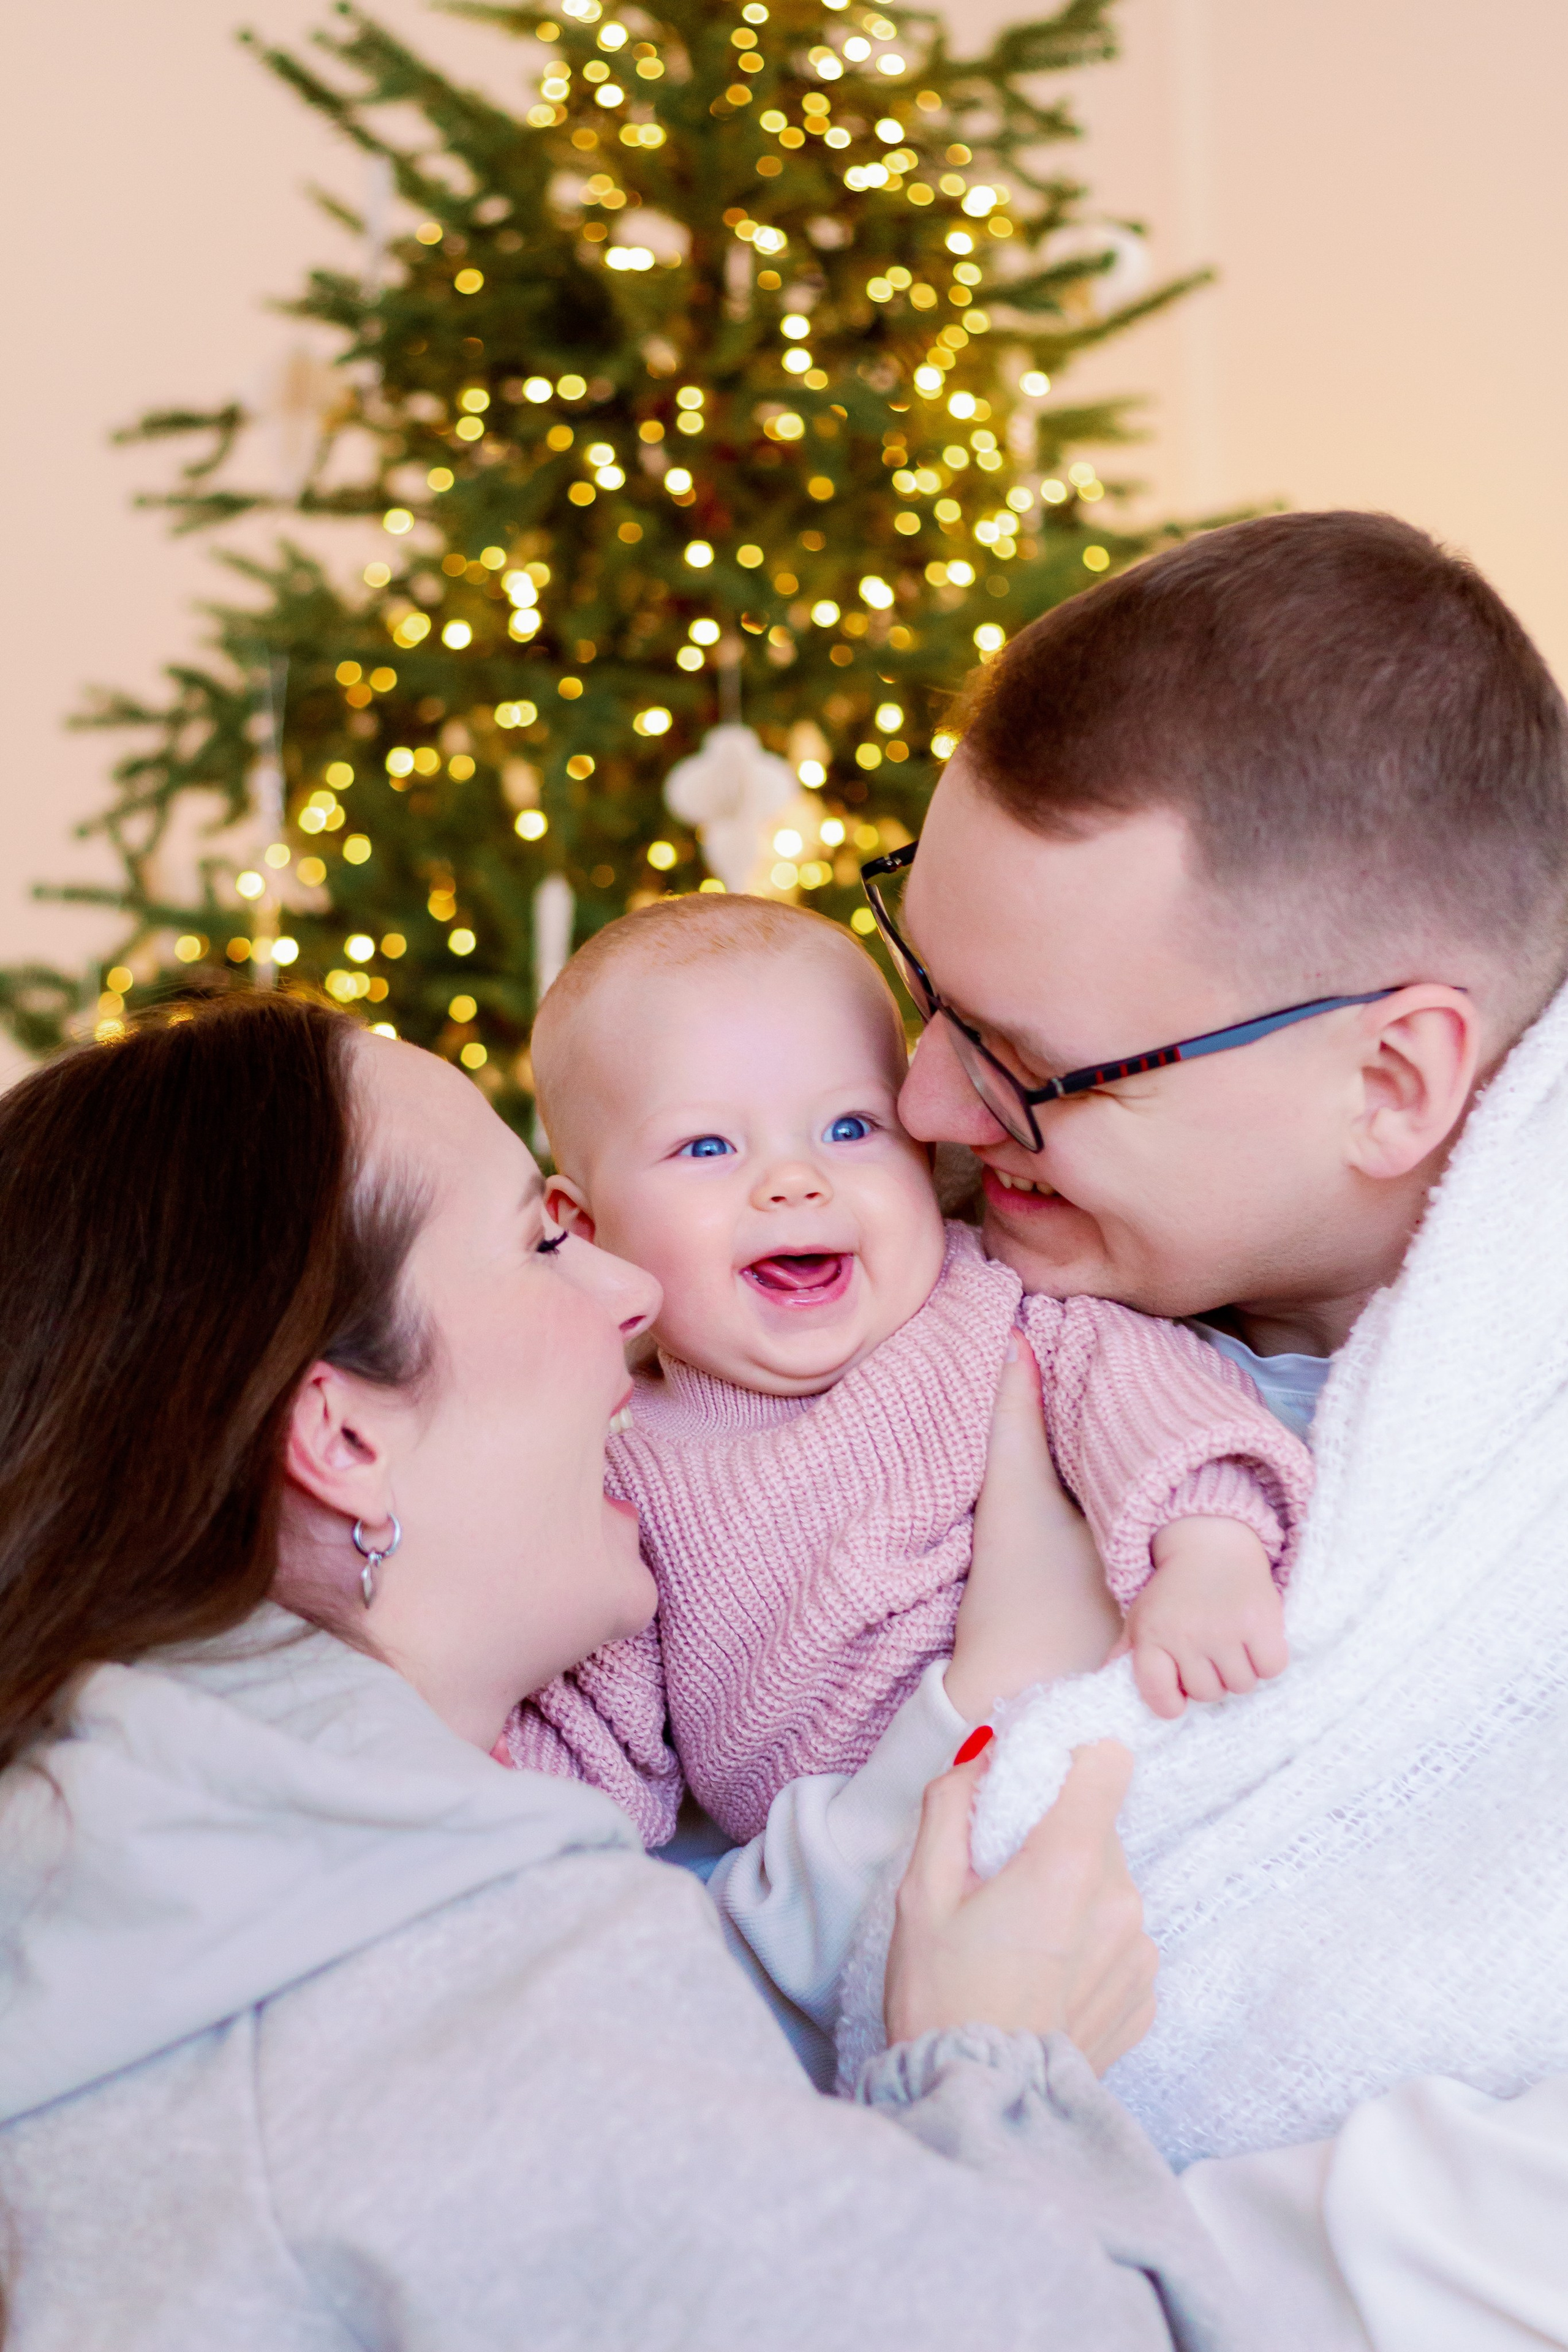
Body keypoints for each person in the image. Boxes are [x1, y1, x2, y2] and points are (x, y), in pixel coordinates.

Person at [0, 995, 1245, 2351]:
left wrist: (959, 1710)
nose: (633, 1289)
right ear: (343, 1439)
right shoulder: (463, 2004)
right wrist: (998, 2062)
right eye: (543, 1242)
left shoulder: (146, 1859)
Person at [876, 510, 1568, 2342]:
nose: (921, 1101)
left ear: (1394, 1077)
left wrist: (988, 2146)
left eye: (1024, 1064)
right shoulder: (925, 1314)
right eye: (913, 985)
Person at [503, 888, 1308, 1852]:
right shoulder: (615, 1463)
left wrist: (1209, 1553)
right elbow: (589, 1737)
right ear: (586, 1231)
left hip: (1114, 1767)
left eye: (849, 1128)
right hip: (862, 1867)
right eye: (708, 1146)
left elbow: (1159, 1400)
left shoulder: (995, 1310)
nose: (795, 1180)